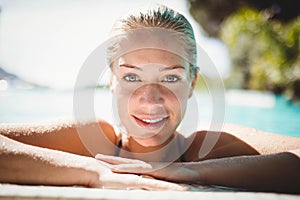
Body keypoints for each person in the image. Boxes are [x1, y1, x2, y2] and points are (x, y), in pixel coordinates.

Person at [0, 5, 300, 193]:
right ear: (112, 80)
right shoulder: (98, 139)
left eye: (170, 78)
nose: (151, 100)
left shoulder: (200, 148)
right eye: (132, 77)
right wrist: (94, 172)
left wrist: (189, 171)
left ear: (192, 82)